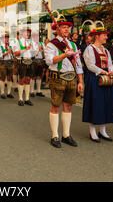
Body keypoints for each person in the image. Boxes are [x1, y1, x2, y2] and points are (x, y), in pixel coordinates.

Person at [45, 16, 84, 148]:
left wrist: (80, 81)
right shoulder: (52, 44)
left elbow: (78, 65)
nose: (67, 29)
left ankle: (66, 135)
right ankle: (54, 135)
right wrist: (64, 55)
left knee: (68, 106)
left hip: (71, 78)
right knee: (55, 106)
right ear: (57, 29)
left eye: (68, 27)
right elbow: (50, 61)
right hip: (58, 77)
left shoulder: (73, 44)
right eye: (63, 27)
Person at [82, 26, 113, 142]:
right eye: (104, 35)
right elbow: (90, 65)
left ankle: (103, 131)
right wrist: (104, 72)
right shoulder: (90, 49)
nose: (106, 37)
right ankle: (92, 131)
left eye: (106, 35)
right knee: (95, 103)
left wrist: (111, 72)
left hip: (106, 79)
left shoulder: (106, 50)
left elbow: (110, 64)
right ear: (97, 36)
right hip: (94, 79)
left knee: (106, 103)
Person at [12, 28, 36, 106]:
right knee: (21, 79)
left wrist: (34, 50)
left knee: (28, 80)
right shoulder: (18, 42)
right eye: (26, 32)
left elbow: (35, 52)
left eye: (28, 32)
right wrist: (25, 49)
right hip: (22, 62)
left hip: (30, 62)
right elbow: (15, 53)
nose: (27, 34)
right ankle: (20, 98)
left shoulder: (31, 42)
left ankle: (27, 98)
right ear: (22, 33)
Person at [0, 32, 14, 99]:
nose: (7, 39)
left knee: (9, 77)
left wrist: (12, 52)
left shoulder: (10, 46)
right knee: (3, 77)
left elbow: (13, 54)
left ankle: (9, 92)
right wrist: (7, 52)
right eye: (5, 38)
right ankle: (2, 92)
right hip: (3, 62)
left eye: (7, 38)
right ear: (2, 39)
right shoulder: (0, 46)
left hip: (10, 62)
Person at [31, 30, 45, 97]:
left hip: (41, 60)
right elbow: (31, 54)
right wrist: (38, 50)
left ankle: (38, 91)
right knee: (33, 76)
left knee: (39, 76)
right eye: (35, 36)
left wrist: (43, 50)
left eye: (37, 36)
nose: (36, 37)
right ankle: (32, 91)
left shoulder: (42, 43)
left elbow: (45, 52)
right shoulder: (31, 44)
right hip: (34, 61)